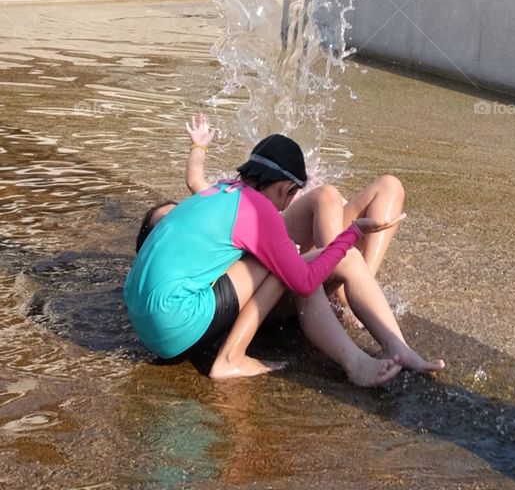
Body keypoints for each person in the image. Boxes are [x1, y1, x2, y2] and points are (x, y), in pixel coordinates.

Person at [125, 118, 444, 384]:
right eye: (292, 196)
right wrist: (353, 233)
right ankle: (232, 359)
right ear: (283, 189)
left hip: (147, 324)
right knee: (279, 264)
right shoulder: (259, 210)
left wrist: (199, 147)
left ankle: (397, 348)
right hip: (175, 326)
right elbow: (304, 282)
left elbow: (195, 178)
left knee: (284, 258)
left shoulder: (224, 190)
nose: (289, 204)